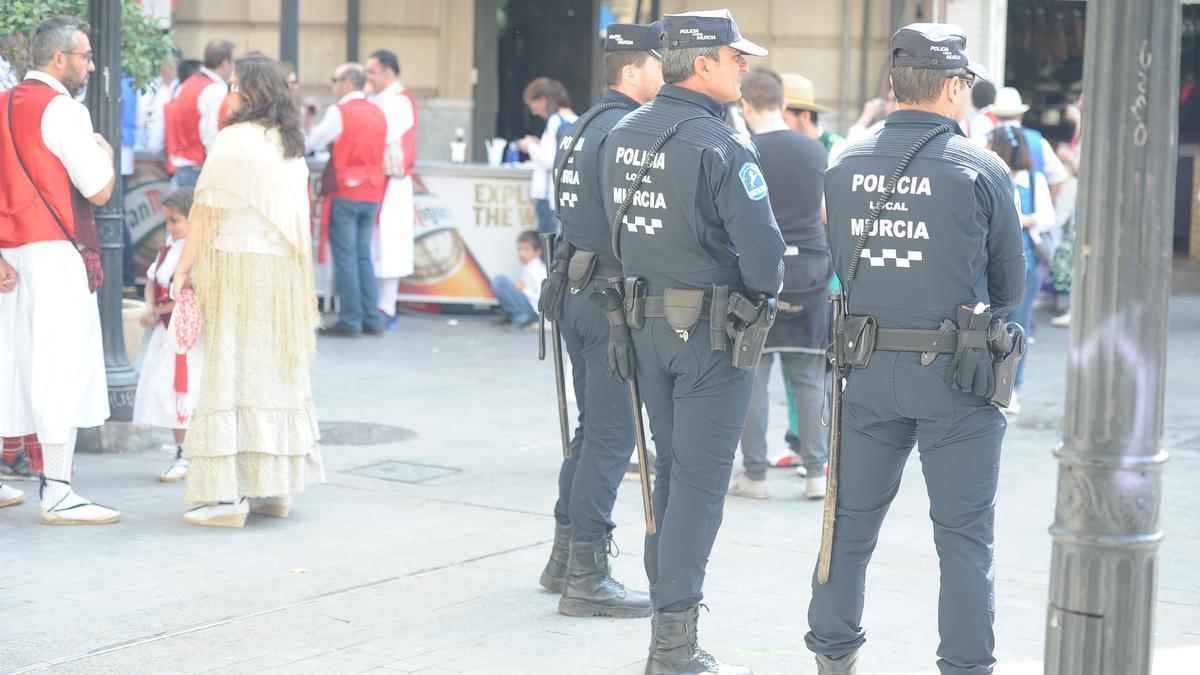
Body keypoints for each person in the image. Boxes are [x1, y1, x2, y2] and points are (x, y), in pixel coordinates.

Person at [807, 24, 1025, 675]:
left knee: (846, 529)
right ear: (955, 87)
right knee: (963, 540)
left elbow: (838, 262)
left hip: (865, 370)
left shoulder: (844, 163)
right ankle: (965, 666)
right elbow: (1010, 287)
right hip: (958, 376)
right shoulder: (981, 168)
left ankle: (832, 656)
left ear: (894, 86)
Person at [601, 10, 785, 673]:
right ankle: (672, 646)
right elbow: (766, 264)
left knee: (670, 474)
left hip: (643, 324)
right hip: (710, 333)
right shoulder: (721, 146)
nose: (745, 67)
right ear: (704, 63)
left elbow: (608, 235)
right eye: (737, 57)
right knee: (698, 486)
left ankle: (665, 619)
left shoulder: (622, 130)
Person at [537, 21, 663, 619]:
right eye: (659, 64)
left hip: (575, 288)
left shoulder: (586, 123)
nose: (666, 74)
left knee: (593, 431)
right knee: (611, 437)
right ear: (634, 71)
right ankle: (587, 574)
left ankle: (565, 557)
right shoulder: (627, 130)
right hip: (605, 298)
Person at [170, 55, 323, 528]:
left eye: (233, 86)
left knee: (230, 371)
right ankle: (272, 490)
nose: (228, 95)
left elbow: (208, 211)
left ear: (249, 92)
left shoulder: (234, 141)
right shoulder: (289, 143)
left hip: (236, 268)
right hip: (283, 274)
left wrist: (182, 268)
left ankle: (226, 498)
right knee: (273, 371)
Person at [0, 15, 119, 523]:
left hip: (11, 254)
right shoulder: (64, 110)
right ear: (59, 60)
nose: (91, 65)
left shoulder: (3, 102)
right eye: (86, 56)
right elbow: (98, 188)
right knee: (59, 366)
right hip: (55, 251)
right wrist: (106, 154)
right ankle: (58, 488)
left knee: (12, 365)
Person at [728, 68, 831, 502]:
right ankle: (815, 475)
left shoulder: (742, 150)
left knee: (752, 374)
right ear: (784, 105)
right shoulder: (816, 151)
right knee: (807, 377)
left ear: (745, 106)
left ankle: (755, 476)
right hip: (811, 271)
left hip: (758, 274)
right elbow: (827, 211)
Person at [307, 63, 388, 337]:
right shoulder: (377, 111)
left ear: (347, 83)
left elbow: (313, 143)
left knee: (345, 257)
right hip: (372, 190)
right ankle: (371, 318)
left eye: (335, 80)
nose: (333, 85)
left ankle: (351, 320)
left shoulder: (339, 112)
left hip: (346, 190)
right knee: (363, 256)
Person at [133, 187, 202, 482]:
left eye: (176, 221)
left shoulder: (197, 252)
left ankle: (190, 454)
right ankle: (180, 450)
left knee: (184, 391)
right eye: (168, 221)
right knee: (169, 392)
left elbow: (189, 296)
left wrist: (156, 312)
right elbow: (151, 280)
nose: (170, 227)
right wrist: (150, 306)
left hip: (186, 335)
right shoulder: (168, 248)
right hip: (166, 333)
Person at [986, 125, 1052, 414]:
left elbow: (1046, 217)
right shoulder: (991, 177)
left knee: (1019, 327)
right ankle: (992, 385)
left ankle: (1012, 388)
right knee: (992, 328)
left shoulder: (1034, 180)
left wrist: (1022, 219)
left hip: (1026, 264)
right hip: (995, 265)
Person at [366, 49, 418, 330]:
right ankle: (378, 304)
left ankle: (387, 305)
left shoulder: (399, 102)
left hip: (393, 181)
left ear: (387, 72)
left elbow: (381, 136)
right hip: (379, 180)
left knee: (390, 245)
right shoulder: (381, 99)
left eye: (372, 72)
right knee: (377, 244)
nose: (368, 78)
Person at [165, 39, 234, 188]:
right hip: (199, 168)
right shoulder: (214, 90)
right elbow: (211, 134)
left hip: (184, 165)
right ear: (225, 63)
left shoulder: (189, 83)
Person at [517, 77, 577, 236]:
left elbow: (549, 161)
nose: (533, 110)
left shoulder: (555, 121)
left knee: (549, 251)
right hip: (565, 197)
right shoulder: (574, 119)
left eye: (533, 103)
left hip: (550, 197)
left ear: (543, 100)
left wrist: (530, 145)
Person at [988, 86, 1069, 205]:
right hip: (1031, 218)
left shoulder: (987, 141)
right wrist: (1045, 206)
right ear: (1021, 115)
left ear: (996, 115)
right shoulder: (1038, 141)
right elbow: (1059, 175)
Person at [781, 72, 848, 165]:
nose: (778, 126)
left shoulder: (837, 149)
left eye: (784, 120)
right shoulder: (783, 147)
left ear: (805, 117)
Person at [490, 230, 545, 329]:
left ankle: (522, 317)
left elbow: (542, 297)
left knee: (500, 281)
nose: (521, 253)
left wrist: (523, 290)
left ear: (537, 252)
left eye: (526, 249)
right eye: (519, 249)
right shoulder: (528, 267)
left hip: (534, 311)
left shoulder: (537, 269)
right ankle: (513, 315)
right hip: (530, 307)